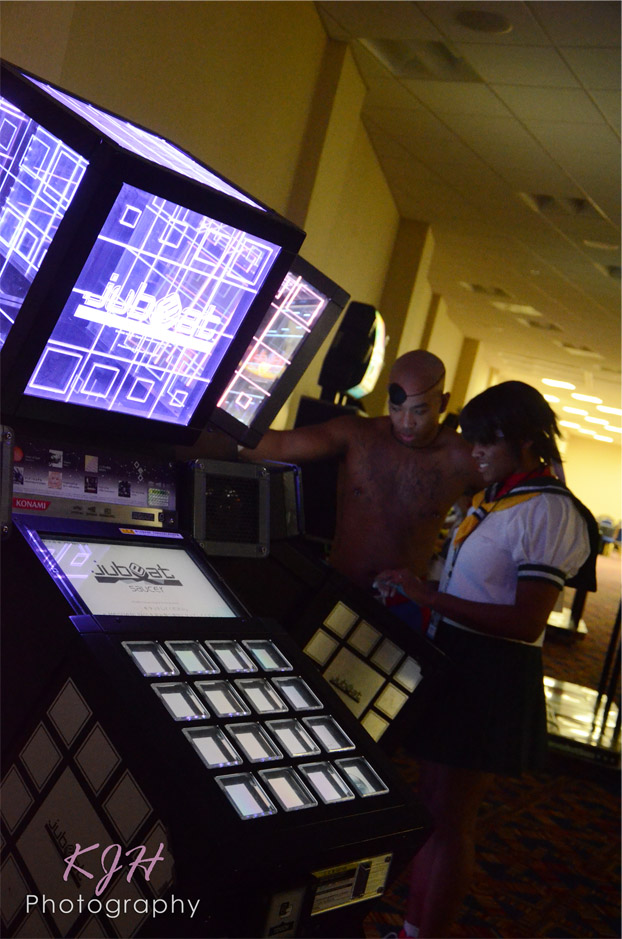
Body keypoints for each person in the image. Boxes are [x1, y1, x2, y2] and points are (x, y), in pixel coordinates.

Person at [375, 381, 594, 939]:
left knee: (449, 821)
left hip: (492, 672)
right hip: (460, 658)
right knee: (431, 809)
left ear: (526, 442)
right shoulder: (499, 498)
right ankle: (412, 927)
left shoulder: (548, 510)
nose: (473, 453)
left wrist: (428, 597)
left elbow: (526, 621)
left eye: (485, 443)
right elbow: (479, 589)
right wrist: (420, 590)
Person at [239, 350, 483, 592]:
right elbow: (282, 445)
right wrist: (224, 435)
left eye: (419, 411)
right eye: (396, 408)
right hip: (338, 584)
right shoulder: (358, 435)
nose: (406, 422)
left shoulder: (463, 459)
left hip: (401, 603)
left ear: (443, 403)